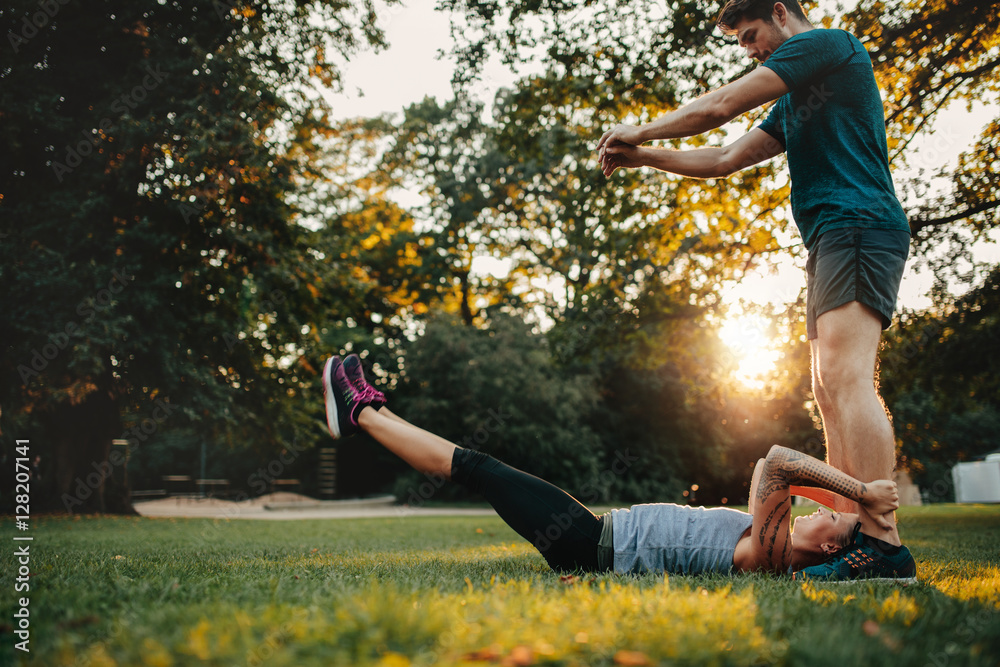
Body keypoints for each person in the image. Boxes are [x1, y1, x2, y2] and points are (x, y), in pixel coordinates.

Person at [596, 0, 914, 581]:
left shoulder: (829, 45)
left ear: (780, 12)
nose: (749, 49)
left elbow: (722, 106)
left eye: (750, 35)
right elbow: (725, 157)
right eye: (741, 43)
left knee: (846, 380)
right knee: (826, 391)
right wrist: (644, 158)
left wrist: (639, 126)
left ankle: (882, 543)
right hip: (831, 238)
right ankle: (849, 536)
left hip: (860, 226)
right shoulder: (799, 98)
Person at [322, 354, 915, 581]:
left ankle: (364, 415)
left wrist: (861, 490)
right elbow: (780, 468)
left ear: (825, 550)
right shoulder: (771, 541)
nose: (821, 513)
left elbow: (777, 462)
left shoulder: (768, 553)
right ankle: (368, 410)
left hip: (590, 544)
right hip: (592, 533)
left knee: (474, 467)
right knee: (476, 466)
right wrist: (860, 497)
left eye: (831, 524)